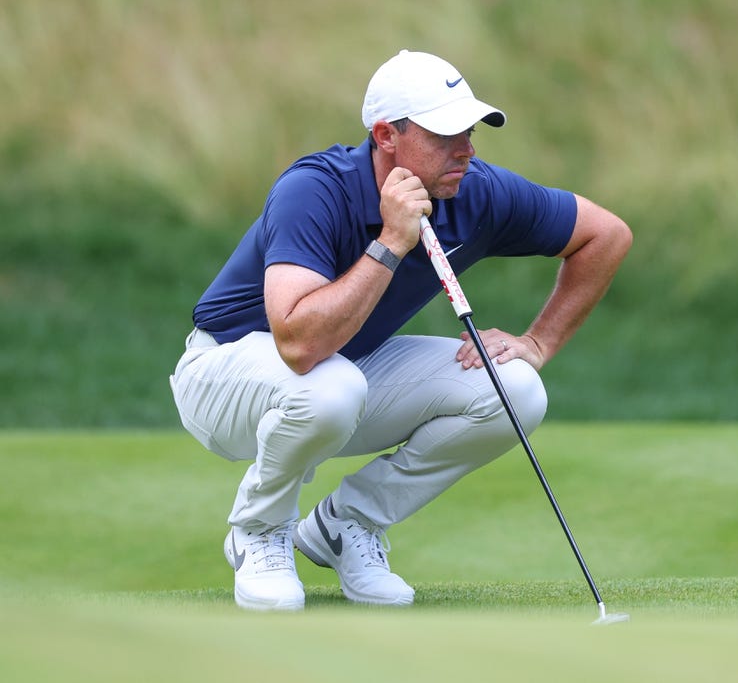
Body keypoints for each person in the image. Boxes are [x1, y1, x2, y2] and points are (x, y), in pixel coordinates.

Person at [168, 49, 632, 611]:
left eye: (469, 131)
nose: (466, 149)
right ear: (386, 135)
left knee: (516, 391)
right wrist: (390, 242)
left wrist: (538, 343)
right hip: (223, 377)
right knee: (329, 385)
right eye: (444, 136)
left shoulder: (475, 191)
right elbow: (297, 343)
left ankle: (346, 525)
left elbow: (606, 235)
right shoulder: (315, 190)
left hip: (343, 371)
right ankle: (260, 530)